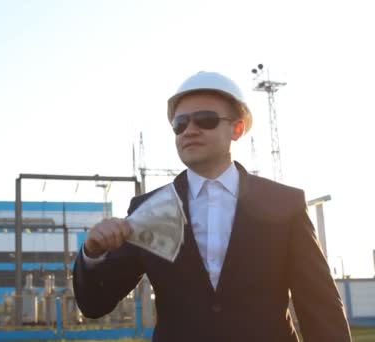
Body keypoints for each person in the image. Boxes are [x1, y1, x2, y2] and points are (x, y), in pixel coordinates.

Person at [72, 71, 351, 341]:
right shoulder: (149, 209)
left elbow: (320, 307)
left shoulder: (283, 203)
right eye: (180, 124)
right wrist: (92, 254)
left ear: (237, 128)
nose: (189, 130)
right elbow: (95, 304)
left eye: (205, 120)